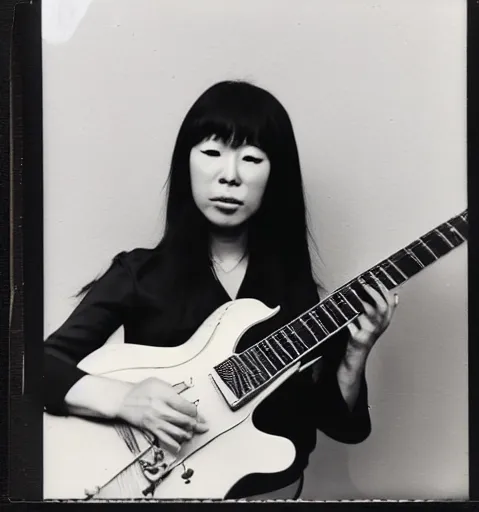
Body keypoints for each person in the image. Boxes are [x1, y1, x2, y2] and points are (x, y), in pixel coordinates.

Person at [43, 80, 398, 500]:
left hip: (274, 495)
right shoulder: (139, 273)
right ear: (186, 164)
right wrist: (123, 399)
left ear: (274, 174)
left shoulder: (295, 291)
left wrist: (357, 351)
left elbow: (345, 427)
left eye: (252, 158)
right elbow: (35, 368)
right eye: (212, 153)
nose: (229, 176)